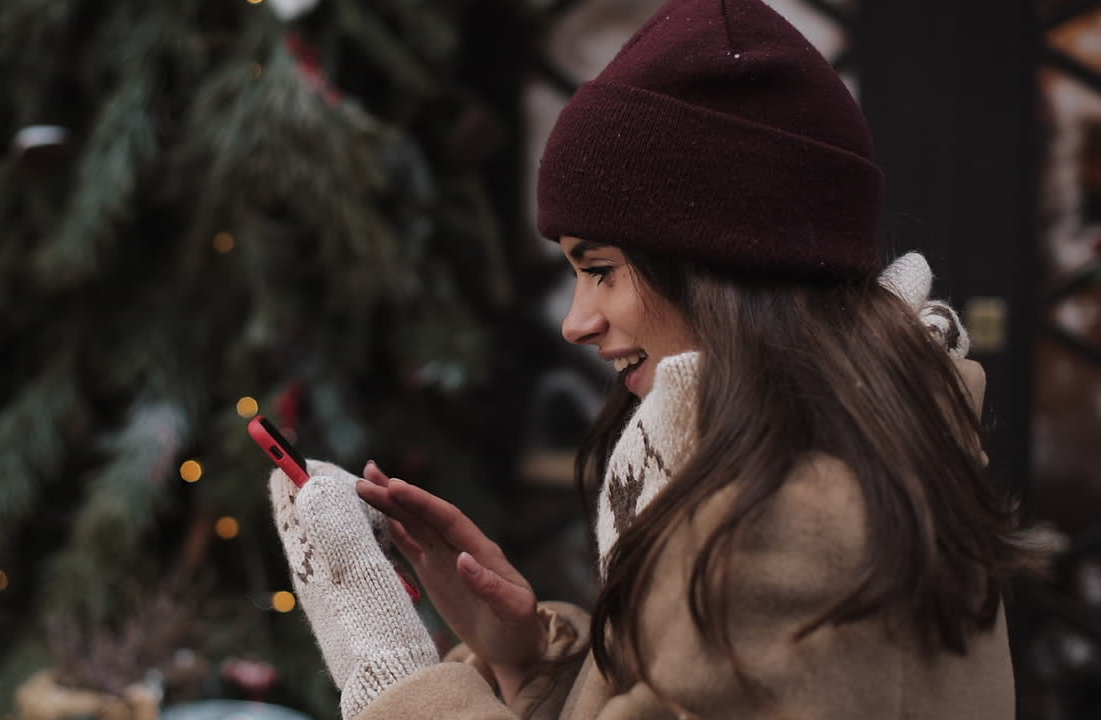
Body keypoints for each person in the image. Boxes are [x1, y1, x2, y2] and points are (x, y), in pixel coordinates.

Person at [267, 0, 1039, 717]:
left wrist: (393, 677)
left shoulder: (781, 530)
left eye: (599, 268)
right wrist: (531, 656)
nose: (576, 321)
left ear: (720, 264)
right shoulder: (857, 454)